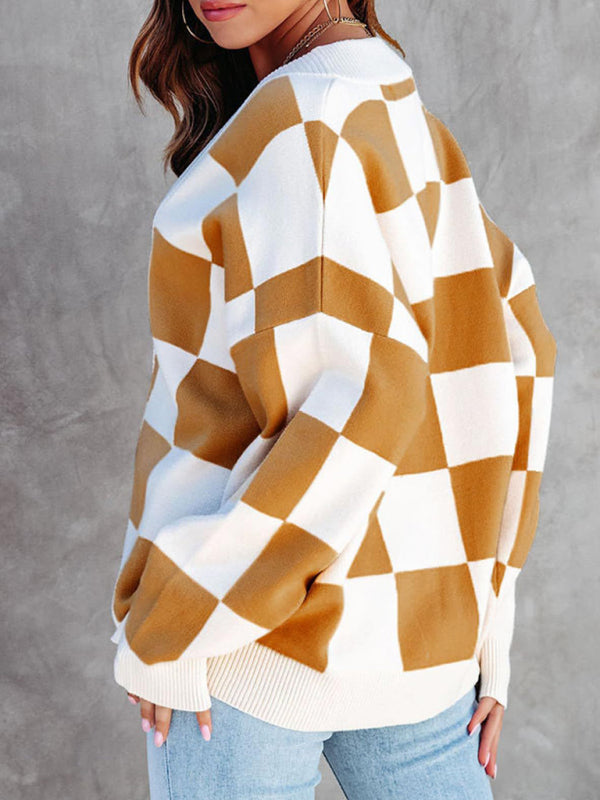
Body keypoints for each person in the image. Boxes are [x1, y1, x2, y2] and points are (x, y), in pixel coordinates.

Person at [108, 1, 558, 797]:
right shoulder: (390, 96)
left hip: (242, 638)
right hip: (418, 646)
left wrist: (179, 618)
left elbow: (364, 402)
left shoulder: (301, 113)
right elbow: (518, 352)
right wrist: (488, 615)